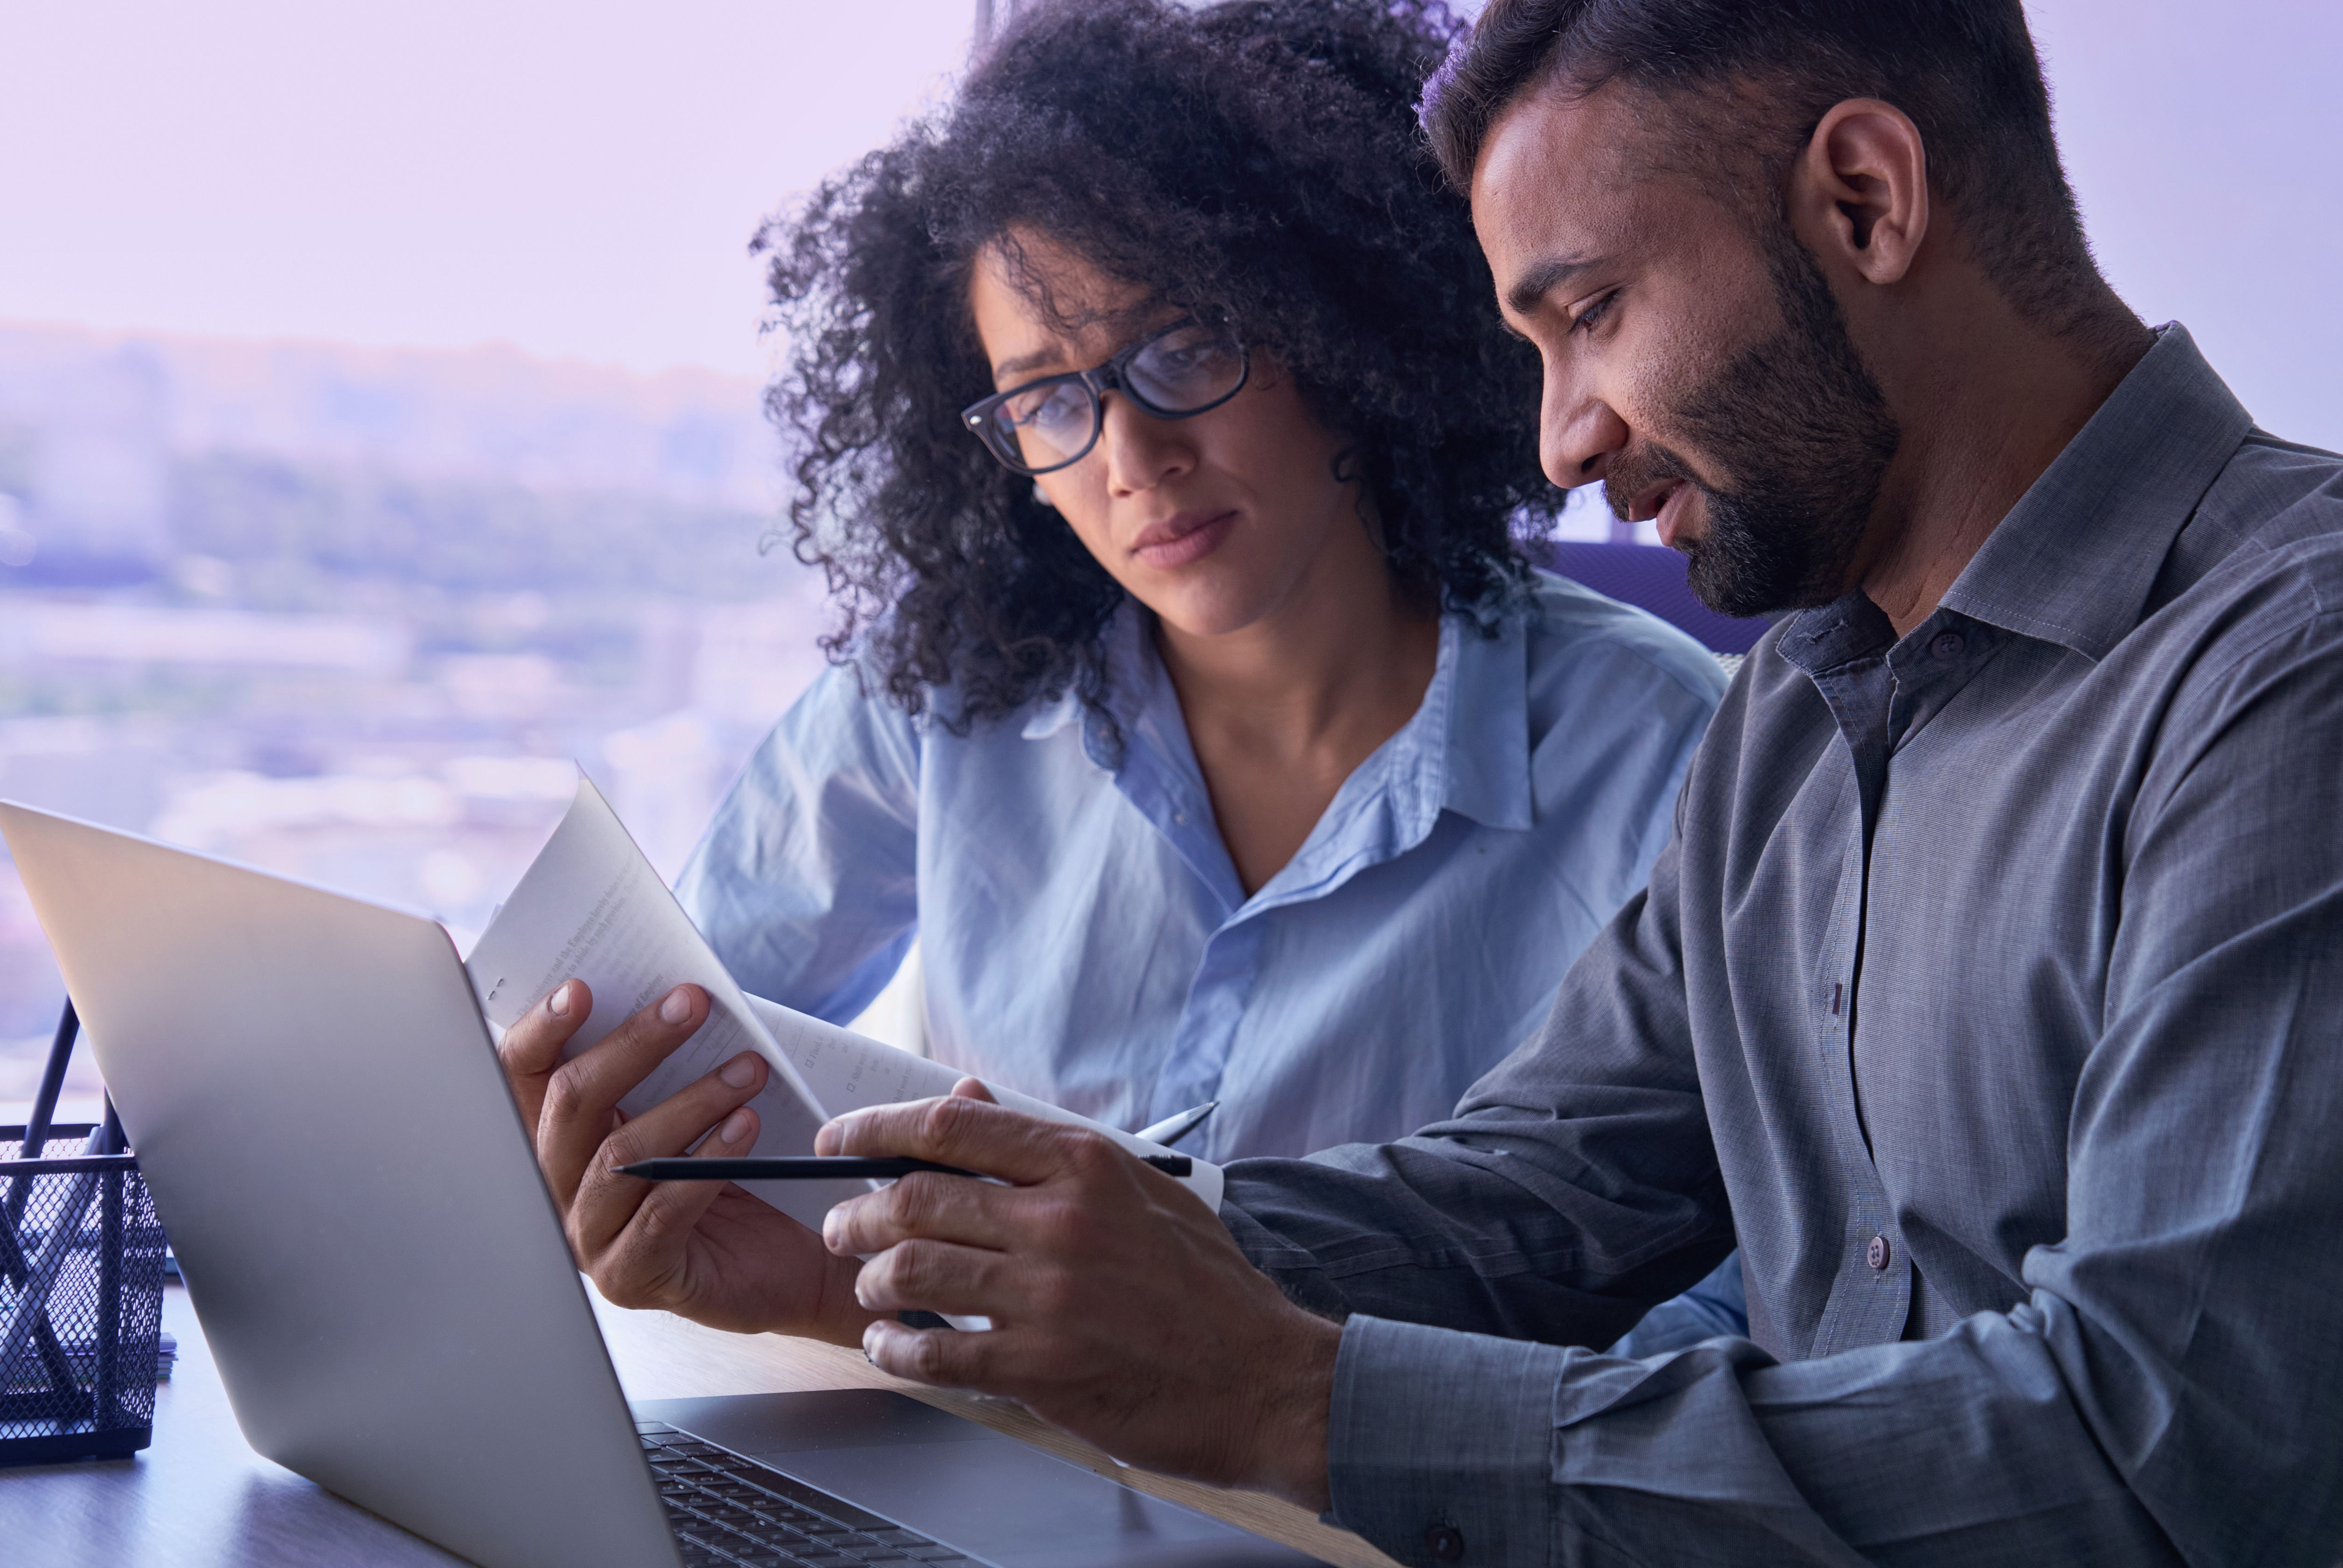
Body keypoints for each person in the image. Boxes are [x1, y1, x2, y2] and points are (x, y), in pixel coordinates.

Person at [508, 0, 2343, 1559]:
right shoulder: (1810, 716)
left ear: (1866, 201)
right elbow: (1529, 1199)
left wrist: (1300, 1403)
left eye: (1590, 315)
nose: (1557, 438)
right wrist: (914, 1277)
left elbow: (2155, 1470)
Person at [656, 0, 1742, 1344]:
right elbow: (679, 1027)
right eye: (1049, 397)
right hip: (975, 1456)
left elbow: (1750, 1310)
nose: (1131, 457)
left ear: (1344, 328)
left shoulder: (1674, 761)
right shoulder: (942, 696)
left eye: (1182, 349)